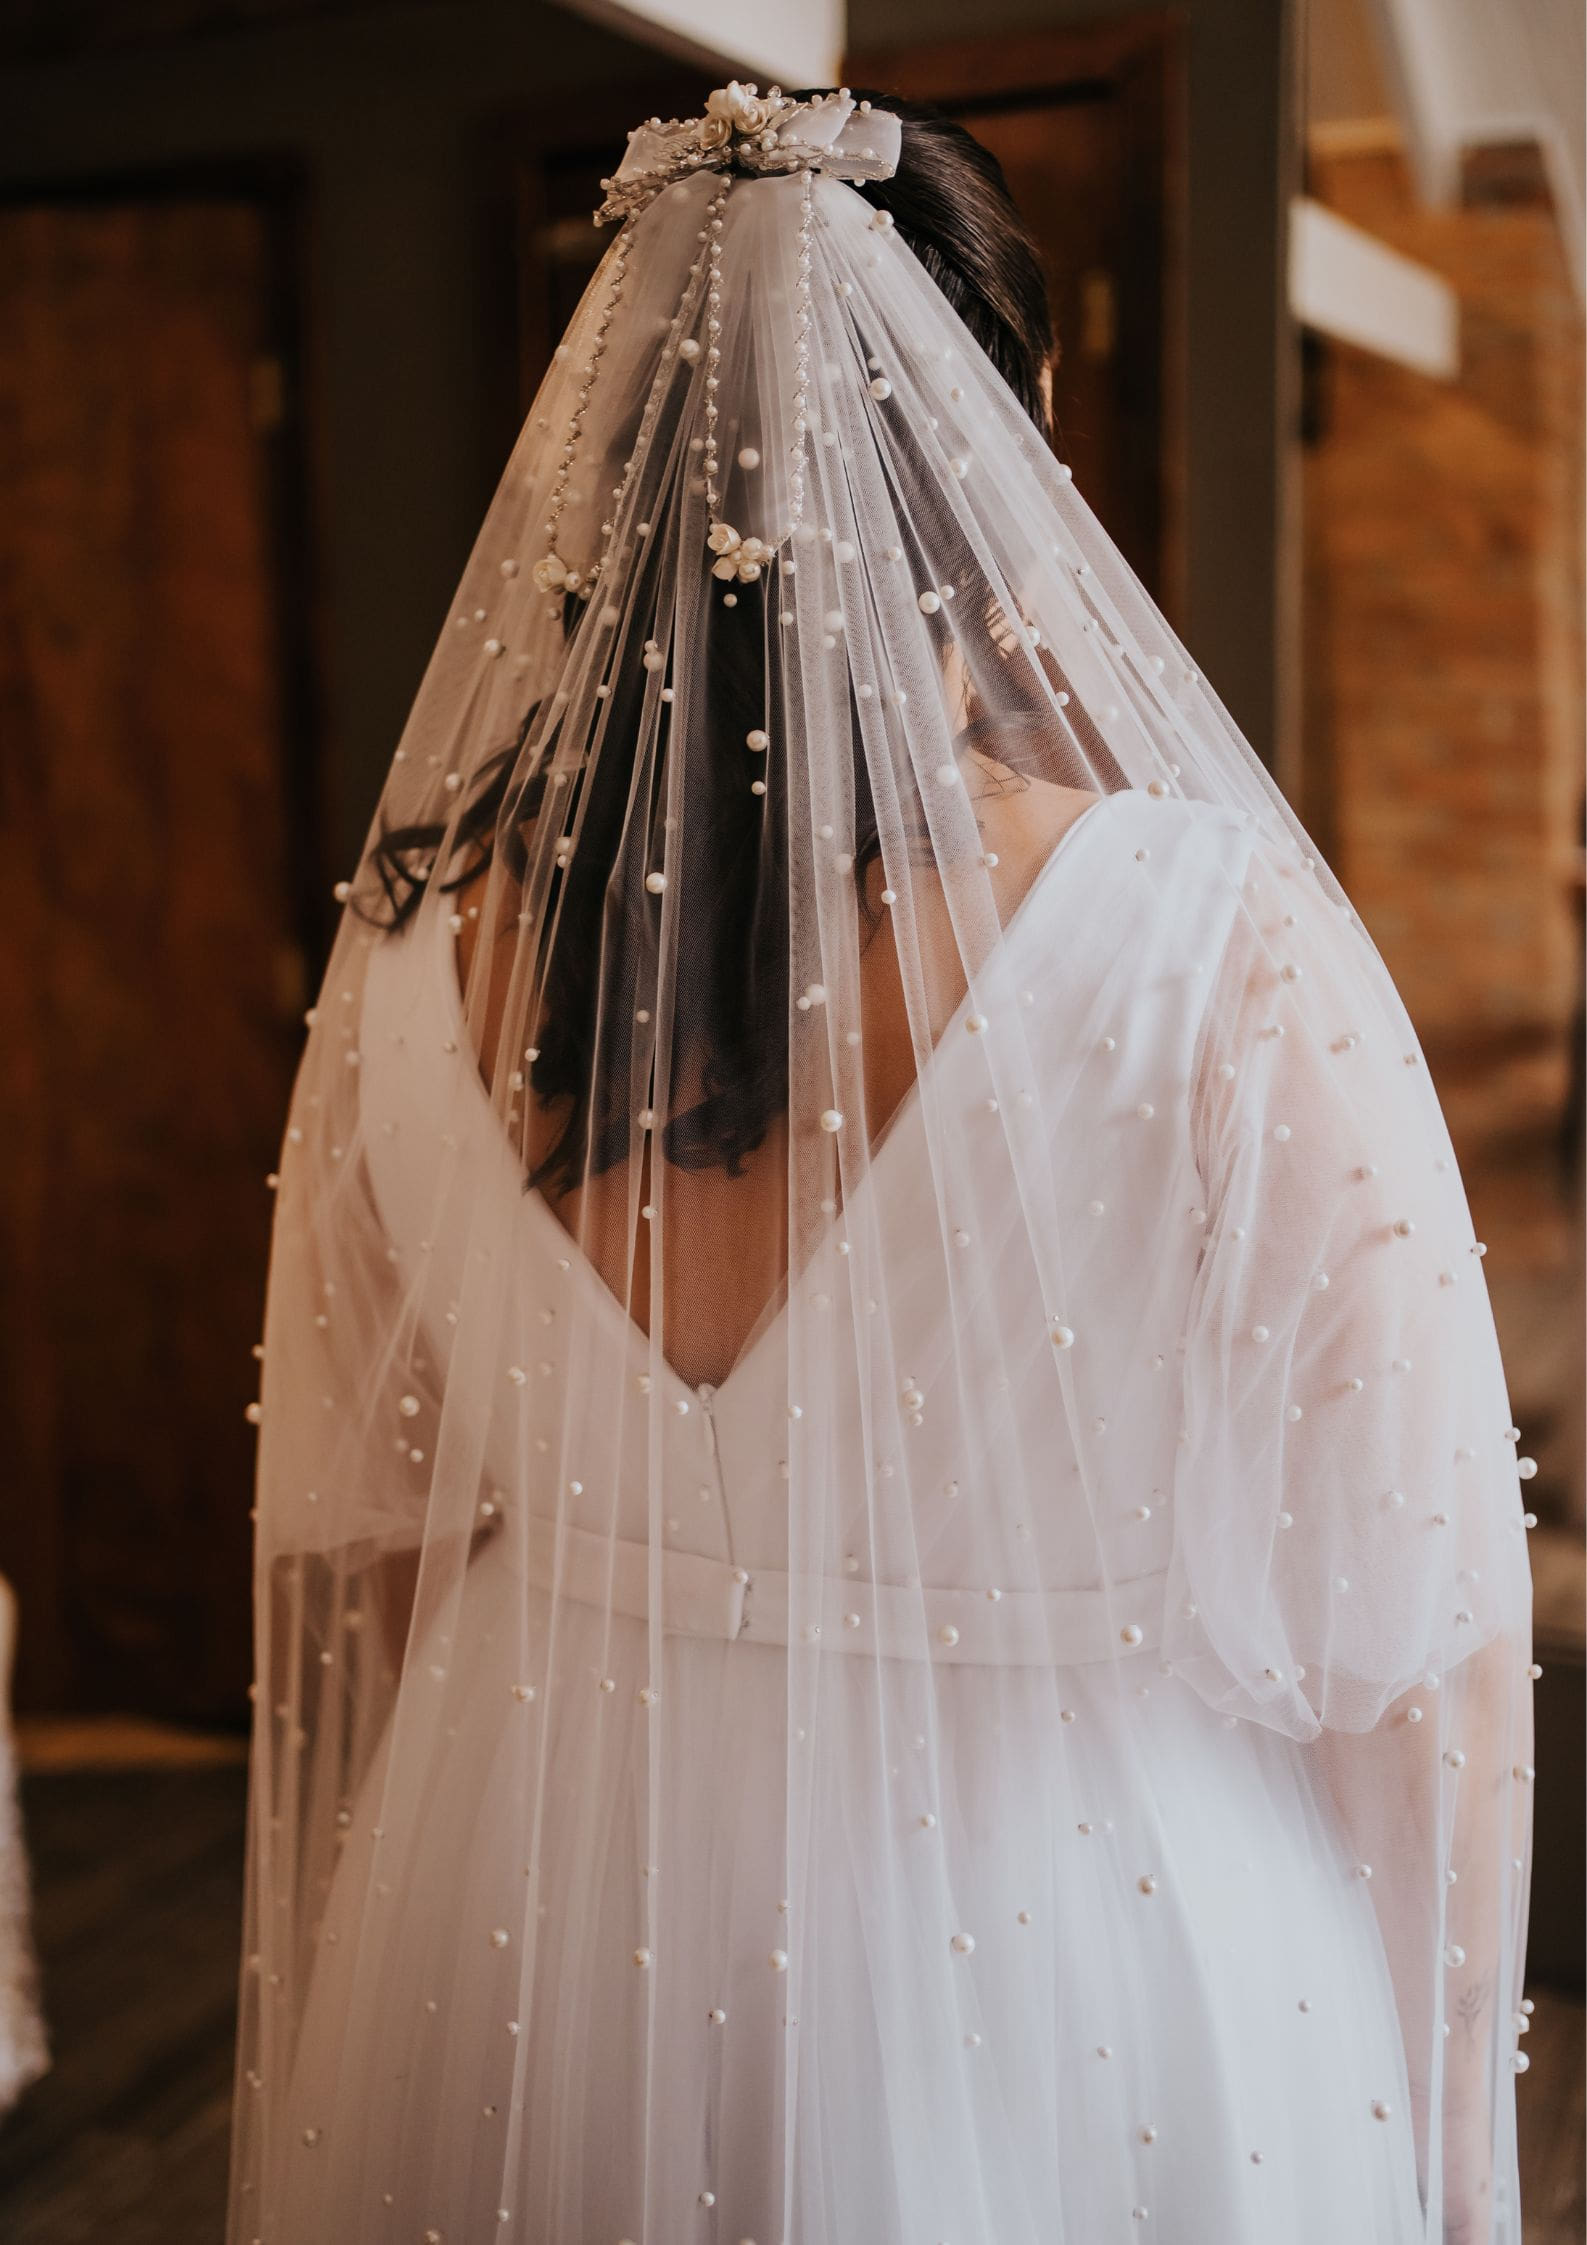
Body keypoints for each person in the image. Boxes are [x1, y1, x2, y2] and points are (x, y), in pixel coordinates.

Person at [227, 86, 1534, 2245]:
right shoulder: (1218, 951)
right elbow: (1418, 1661)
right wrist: (1449, 2139)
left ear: (603, 472)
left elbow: (382, 1547)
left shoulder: (402, 950)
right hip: (1068, 1954)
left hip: (531, 1900)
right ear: (1011, 438)